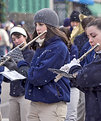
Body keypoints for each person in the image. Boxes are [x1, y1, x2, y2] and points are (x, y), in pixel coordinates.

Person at [4, 8, 71, 121]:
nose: (38, 28)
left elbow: (38, 77)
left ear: (50, 26)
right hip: (36, 101)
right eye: (36, 25)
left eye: (41, 24)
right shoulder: (42, 46)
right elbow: (30, 77)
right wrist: (13, 67)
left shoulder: (58, 47)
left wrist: (20, 62)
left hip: (52, 104)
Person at [55, 18, 101, 121]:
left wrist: (74, 69)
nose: (90, 40)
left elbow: (86, 77)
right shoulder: (96, 55)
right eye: (88, 36)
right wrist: (73, 75)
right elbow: (86, 85)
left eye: (93, 36)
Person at [3, 25, 34, 121]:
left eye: (19, 37)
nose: (16, 41)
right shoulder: (12, 54)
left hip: (25, 94)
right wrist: (4, 69)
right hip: (13, 93)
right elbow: (9, 79)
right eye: (13, 39)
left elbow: (26, 74)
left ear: (25, 37)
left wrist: (15, 67)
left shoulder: (31, 54)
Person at [59, 26, 79, 121]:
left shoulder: (73, 48)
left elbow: (71, 64)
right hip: (60, 85)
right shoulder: (56, 48)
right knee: (60, 114)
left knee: (71, 115)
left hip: (72, 85)